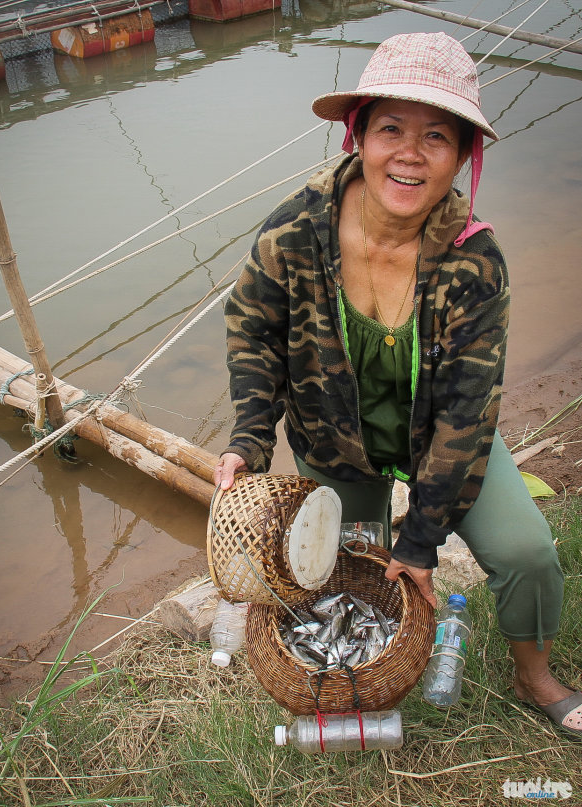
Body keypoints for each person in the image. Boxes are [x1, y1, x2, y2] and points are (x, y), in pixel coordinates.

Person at [213, 31, 581, 739]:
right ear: (359, 134)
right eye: (390, 128)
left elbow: (466, 414)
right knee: (339, 576)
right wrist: (248, 443)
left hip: (440, 443)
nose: (409, 153)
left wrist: (421, 538)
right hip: (332, 444)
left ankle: (533, 672)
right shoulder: (293, 230)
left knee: (527, 550)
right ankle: (364, 683)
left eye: (435, 136)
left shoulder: (474, 261)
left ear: (460, 155)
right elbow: (251, 333)